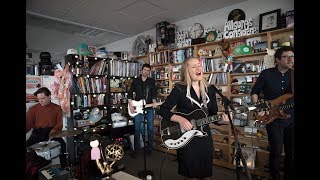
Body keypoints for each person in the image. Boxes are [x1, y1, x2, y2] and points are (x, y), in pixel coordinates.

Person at [159, 57, 229, 180]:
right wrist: (180, 119)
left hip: (205, 138)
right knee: (191, 176)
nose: (198, 68)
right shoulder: (179, 89)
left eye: (199, 65)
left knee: (207, 175)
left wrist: (223, 119)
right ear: (187, 71)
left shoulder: (210, 90)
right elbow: (163, 110)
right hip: (186, 139)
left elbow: (214, 116)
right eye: (193, 66)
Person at [250, 46, 294, 180]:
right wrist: (258, 107)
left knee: (291, 154)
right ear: (277, 60)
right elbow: (255, 92)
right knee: (275, 152)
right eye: (287, 57)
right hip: (273, 119)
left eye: (292, 56)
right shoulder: (266, 74)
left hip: (292, 118)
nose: (291, 59)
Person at [26, 87, 67, 168]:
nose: (40, 101)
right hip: (37, 133)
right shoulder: (33, 109)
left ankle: (64, 168)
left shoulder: (57, 108)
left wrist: (53, 131)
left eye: (43, 98)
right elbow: (28, 125)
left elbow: (59, 124)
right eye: (38, 99)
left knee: (63, 145)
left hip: (52, 133)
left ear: (49, 96)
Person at [128, 63, 157, 155]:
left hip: (149, 108)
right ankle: (137, 150)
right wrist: (131, 106)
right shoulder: (136, 81)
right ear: (141, 70)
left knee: (150, 129)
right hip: (138, 108)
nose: (146, 72)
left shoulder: (151, 81)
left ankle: (149, 149)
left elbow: (153, 95)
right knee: (137, 129)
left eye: (148, 71)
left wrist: (154, 103)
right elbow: (129, 94)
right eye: (145, 70)